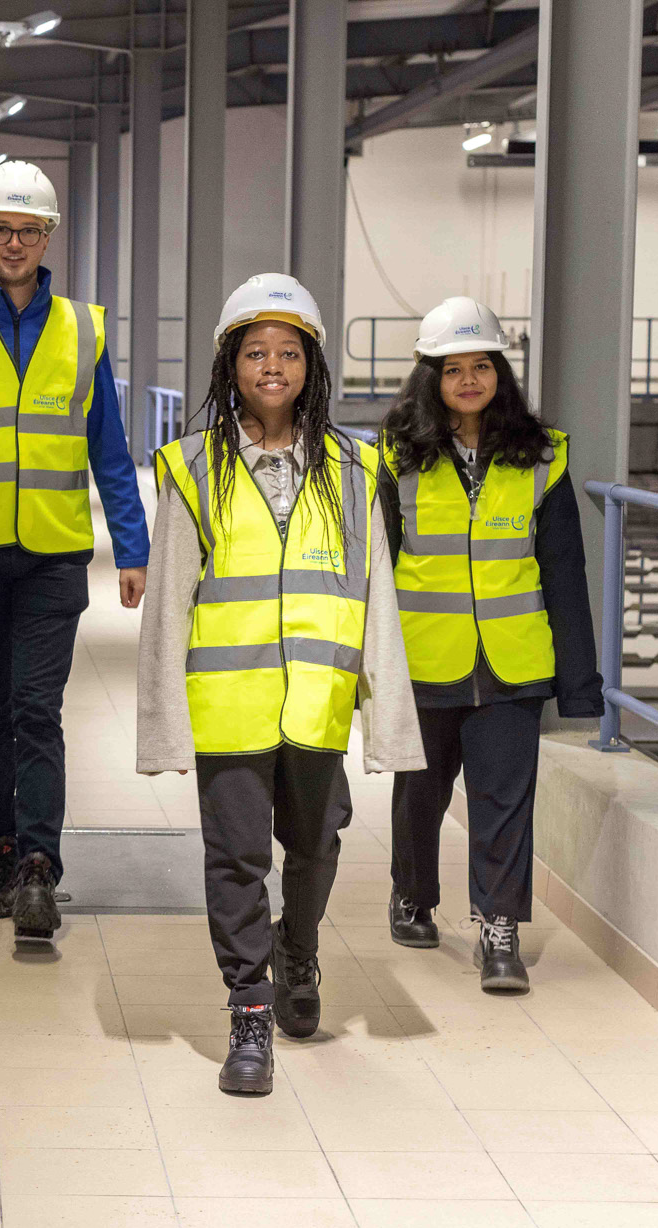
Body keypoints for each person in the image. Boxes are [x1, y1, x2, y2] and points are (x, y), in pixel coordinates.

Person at [136, 273, 424, 1096]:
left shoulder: (356, 469)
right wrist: (163, 728)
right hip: (228, 705)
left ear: (311, 366)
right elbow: (167, 608)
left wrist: (390, 724)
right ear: (231, 365)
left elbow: (377, 597)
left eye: (287, 353)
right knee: (234, 859)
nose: (272, 366)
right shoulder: (192, 469)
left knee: (317, 843)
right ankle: (250, 1010)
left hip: (318, 706)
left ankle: (299, 946)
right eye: (255, 352)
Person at [0, 160, 149, 941]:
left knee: (38, 711)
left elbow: (110, 449)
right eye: (1, 228)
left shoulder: (84, 329)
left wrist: (133, 545)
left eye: (29, 230)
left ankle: (40, 867)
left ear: (48, 239)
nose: (14, 242)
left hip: (55, 555)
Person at [380, 296, 603, 993]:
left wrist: (579, 679)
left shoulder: (542, 458)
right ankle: (412, 892)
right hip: (425, 657)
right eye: (454, 368)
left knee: (503, 798)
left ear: (501, 374)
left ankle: (499, 928)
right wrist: (369, 669)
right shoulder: (396, 458)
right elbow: (378, 567)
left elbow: (564, 570)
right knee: (422, 791)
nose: (470, 380)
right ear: (431, 377)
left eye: (483, 366)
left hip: (513, 664)